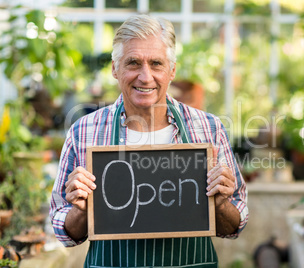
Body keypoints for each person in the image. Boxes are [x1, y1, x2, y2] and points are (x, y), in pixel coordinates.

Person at [50, 14, 248, 267]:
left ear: (172, 70)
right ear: (114, 68)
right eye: (133, 63)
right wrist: (79, 209)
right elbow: (65, 231)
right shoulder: (84, 132)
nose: (145, 77)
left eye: (156, 63)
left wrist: (220, 204)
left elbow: (234, 225)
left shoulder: (208, 129)